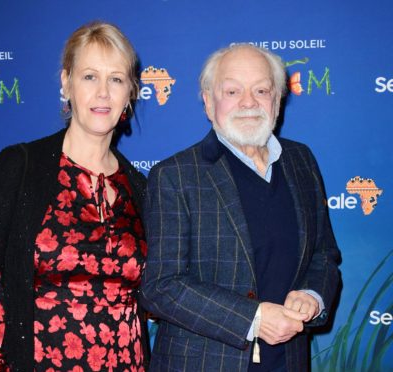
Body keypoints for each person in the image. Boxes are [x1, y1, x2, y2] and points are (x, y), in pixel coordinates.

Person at [0, 21, 148, 371]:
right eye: (90, 76)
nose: (103, 92)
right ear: (66, 82)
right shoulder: (19, 168)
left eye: (116, 79)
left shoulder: (139, 188)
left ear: (130, 93)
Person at [140, 44, 341, 372]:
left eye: (261, 90)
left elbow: (323, 255)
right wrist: (255, 318)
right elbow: (161, 286)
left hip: (288, 361)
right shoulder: (175, 175)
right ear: (208, 101)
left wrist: (312, 295)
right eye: (232, 90)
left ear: (277, 100)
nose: (249, 102)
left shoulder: (301, 161)